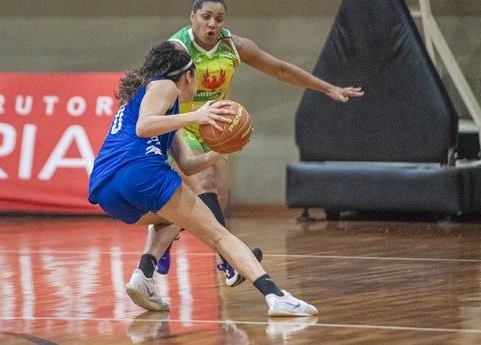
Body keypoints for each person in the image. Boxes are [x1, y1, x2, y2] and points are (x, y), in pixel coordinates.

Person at [154, 0, 365, 282]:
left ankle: (163, 239)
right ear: (192, 17)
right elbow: (153, 88)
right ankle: (230, 261)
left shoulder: (234, 46)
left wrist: (326, 87)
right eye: (206, 17)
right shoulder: (178, 49)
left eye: (219, 18)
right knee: (206, 186)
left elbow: (279, 68)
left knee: (216, 201)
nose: (212, 24)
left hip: (215, 127)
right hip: (183, 125)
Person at [88, 41, 318, 317]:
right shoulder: (165, 86)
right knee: (219, 235)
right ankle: (277, 296)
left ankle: (144, 276)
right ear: (188, 75)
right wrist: (195, 115)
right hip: (140, 172)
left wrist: (218, 151)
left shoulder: (159, 111)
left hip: (106, 189)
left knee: (173, 217)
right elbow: (144, 126)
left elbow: (188, 164)